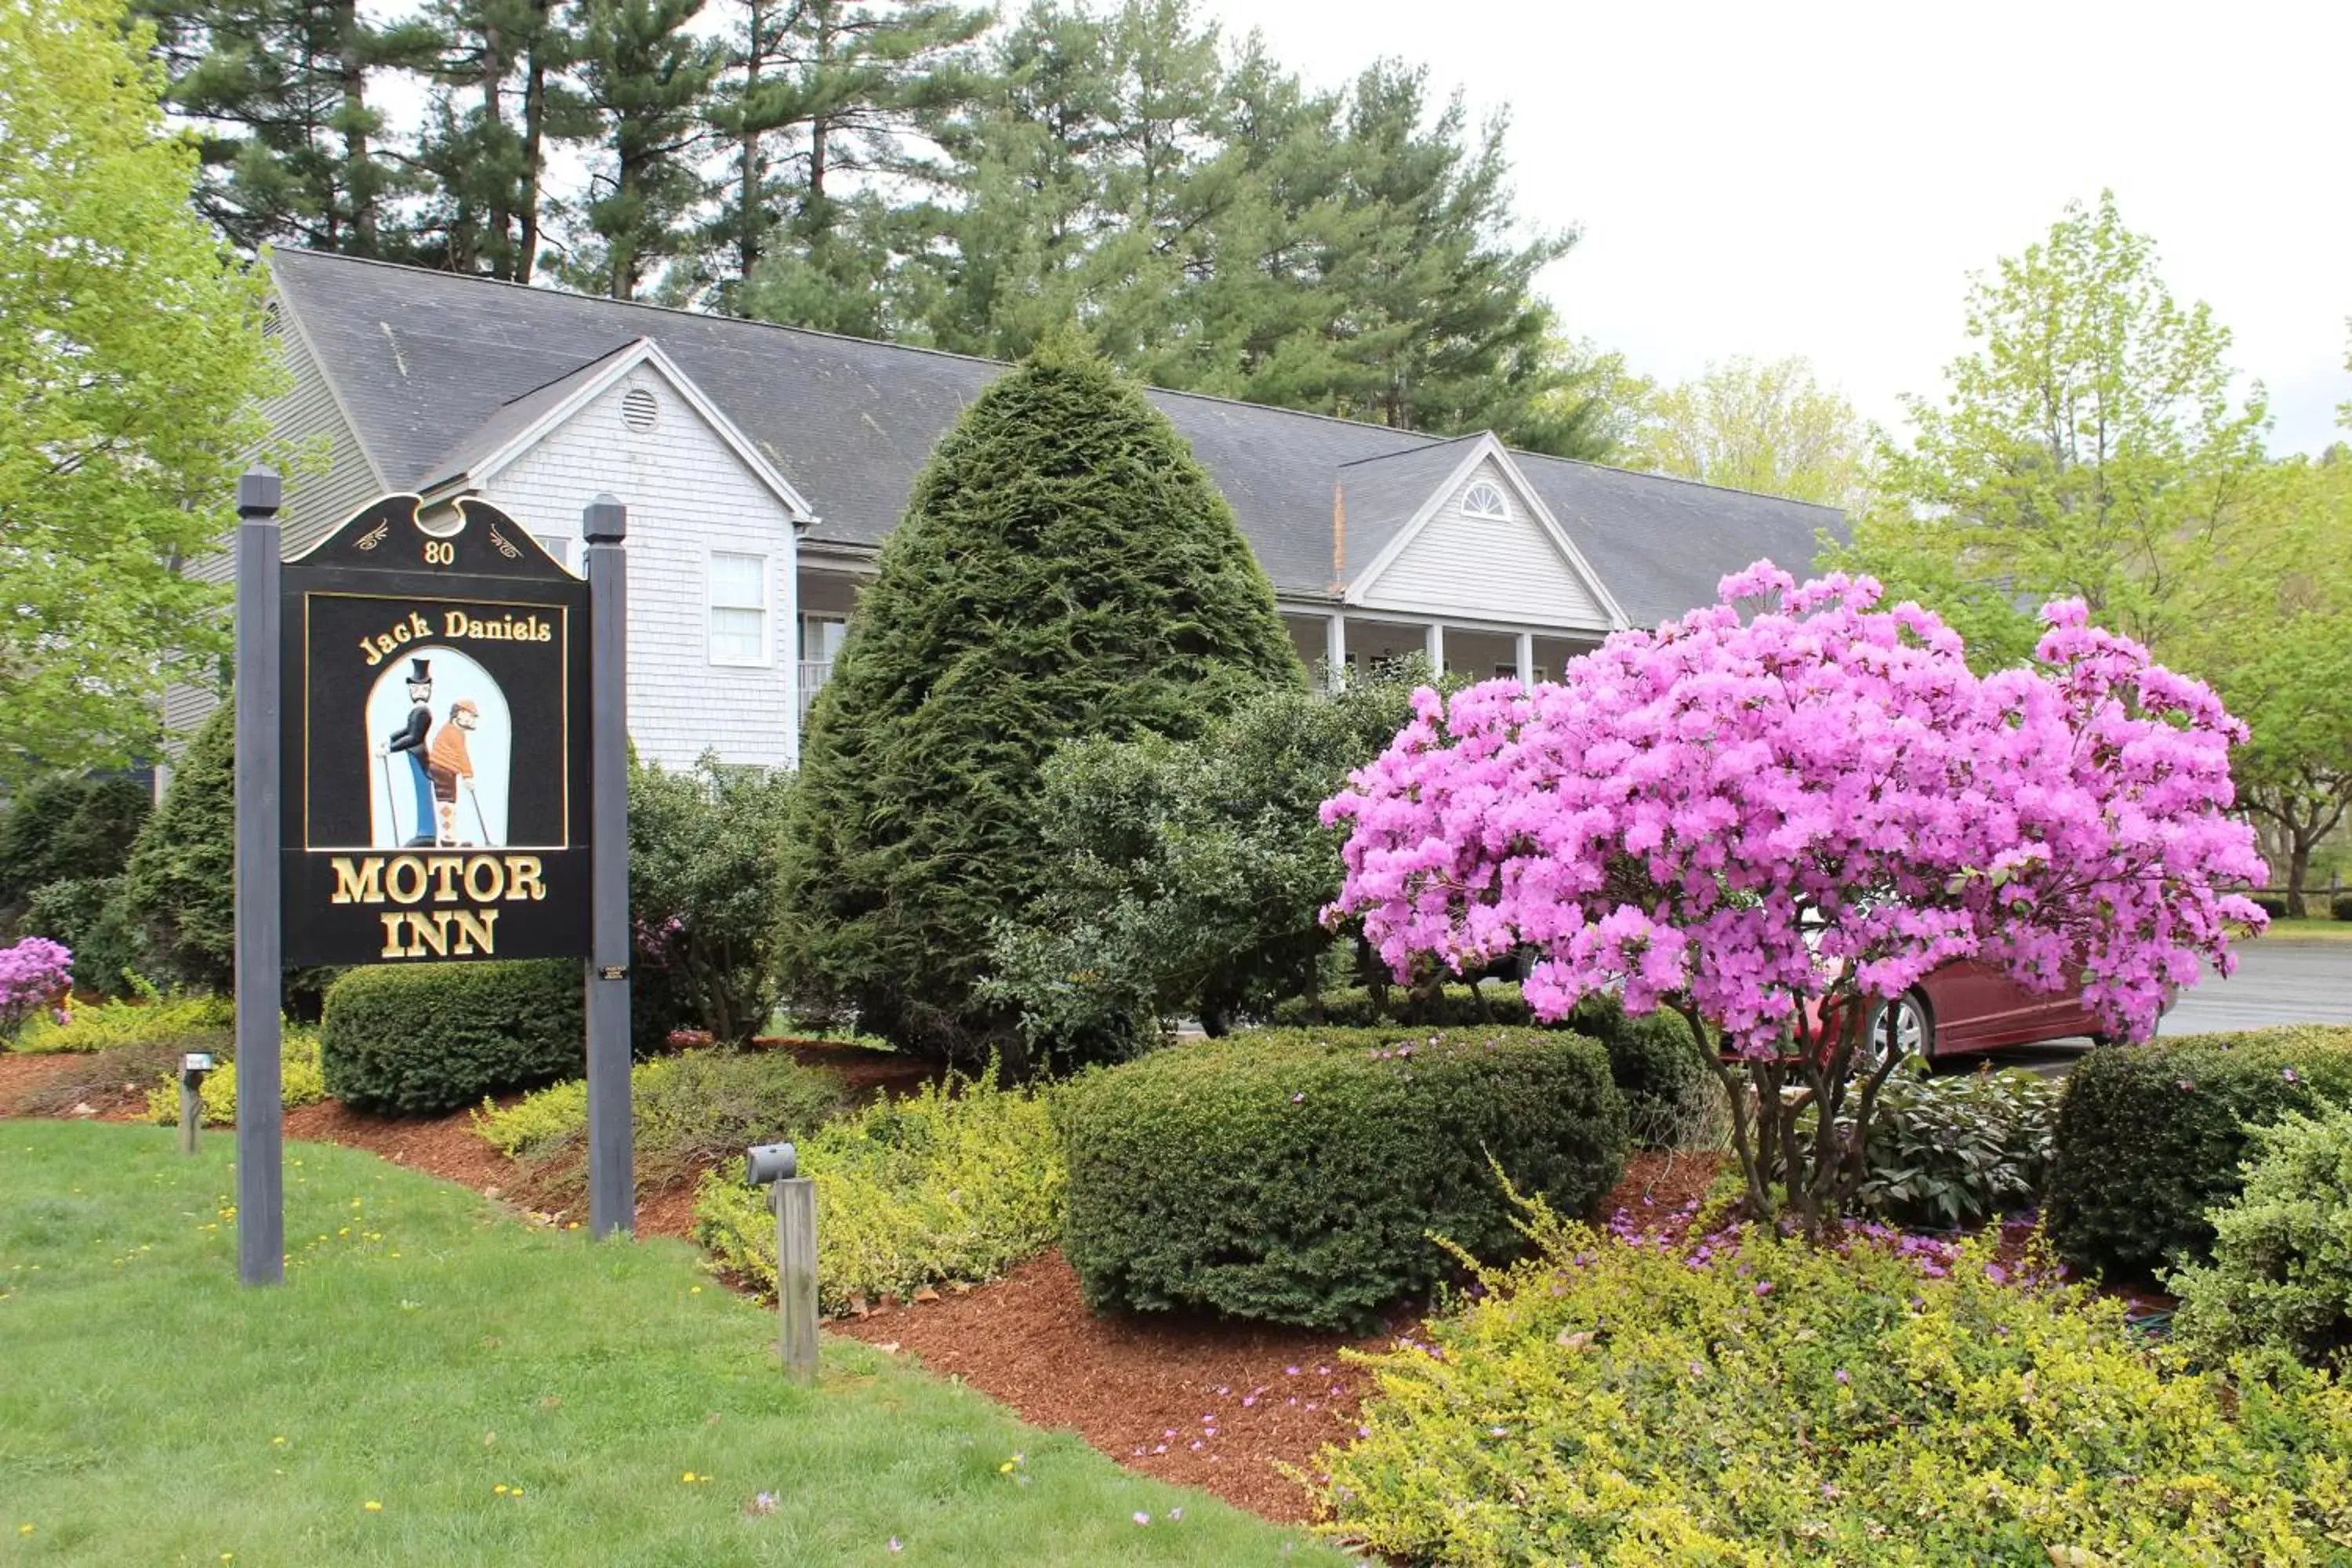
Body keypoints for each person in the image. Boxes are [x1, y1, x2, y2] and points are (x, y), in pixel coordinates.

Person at [375, 659, 434, 847]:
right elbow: (407, 731)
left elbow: (415, 737)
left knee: (423, 791)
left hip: (419, 757)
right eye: (415, 689)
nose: (419, 692)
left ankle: (427, 834)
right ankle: (423, 831)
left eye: (423, 688)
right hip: (413, 756)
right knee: (418, 791)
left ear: (429, 689)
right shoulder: (416, 710)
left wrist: (390, 749)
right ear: (410, 690)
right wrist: (390, 739)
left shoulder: (424, 712)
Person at [426, 699, 480, 847]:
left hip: (445, 770)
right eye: (468, 714)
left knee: (449, 803)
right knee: (447, 803)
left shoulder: (453, 730)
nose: (470, 719)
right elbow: (462, 754)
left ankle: (448, 837)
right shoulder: (453, 732)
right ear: (458, 714)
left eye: (472, 716)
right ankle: (448, 839)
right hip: (443, 768)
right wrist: (468, 776)